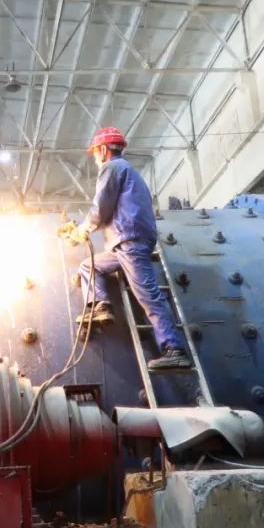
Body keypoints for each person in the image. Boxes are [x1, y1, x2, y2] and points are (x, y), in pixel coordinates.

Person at [70, 127, 192, 371]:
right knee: (88, 266)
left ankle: (174, 349)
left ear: (103, 150)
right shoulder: (131, 172)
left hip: (129, 241)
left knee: (147, 294)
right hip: (125, 243)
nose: (95, 159)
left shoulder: (112, 168)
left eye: (95, 154)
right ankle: (101, 306)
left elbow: (101, 207)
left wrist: (83, 229)